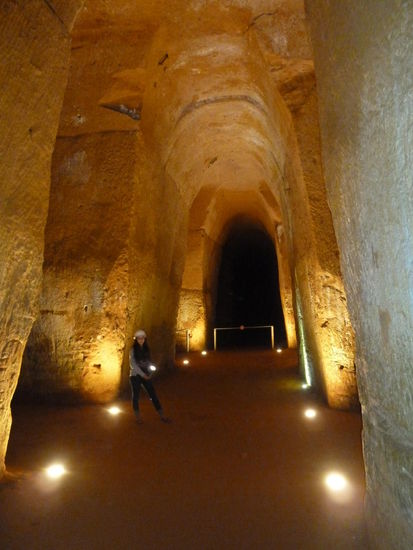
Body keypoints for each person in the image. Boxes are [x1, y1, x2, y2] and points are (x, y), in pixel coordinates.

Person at [129, 329, 170, 423]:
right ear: (136, 339)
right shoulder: (133, 350)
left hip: (145, 375)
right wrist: (143, 375)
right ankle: (138, 417)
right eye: (139, 338)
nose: (141, 340)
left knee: (153, 394)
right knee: (136, 396)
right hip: (135, 375)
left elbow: (148, 362)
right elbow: (133, 365)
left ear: (145, 339)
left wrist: (150, 371)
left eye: (142, 338)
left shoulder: (146, 349)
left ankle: (162, 415)